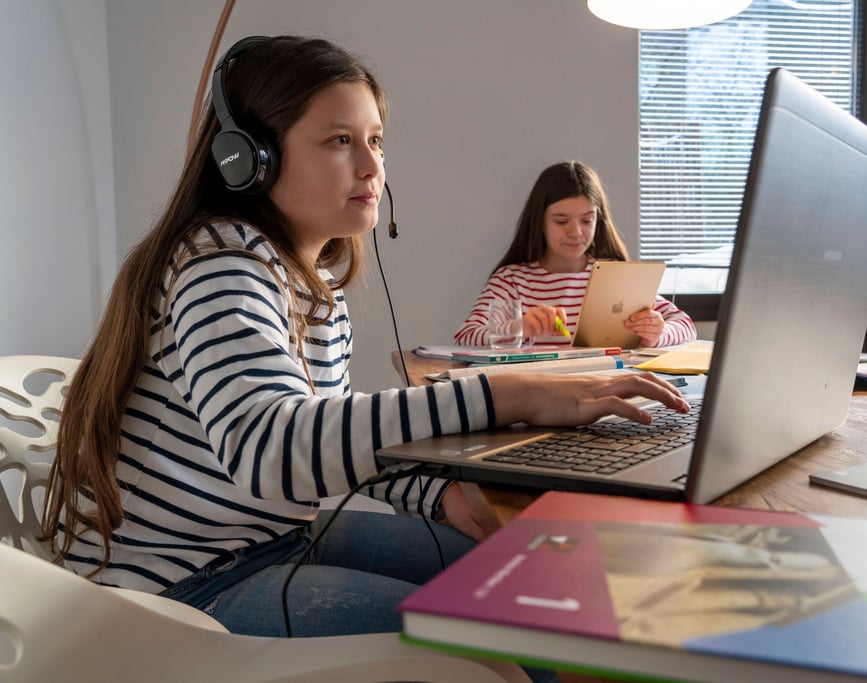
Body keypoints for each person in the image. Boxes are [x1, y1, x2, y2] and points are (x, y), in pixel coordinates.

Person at [40, 34, 687, 651]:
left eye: (376, 140)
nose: (373, 165)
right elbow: (269, 447)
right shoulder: (221, 266)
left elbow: (335, 437)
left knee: (516, 580)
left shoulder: (313, 283)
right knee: (511, 631)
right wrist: (506, 394)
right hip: (179, 588)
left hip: (270, 540)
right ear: (250, 158)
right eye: (340, 140)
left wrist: (435, 495)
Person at [453, 160, 698, 348]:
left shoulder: (615, 276)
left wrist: (657, 333)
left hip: (607, 389)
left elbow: (686, 326)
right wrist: (520, 328)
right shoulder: (512, 280)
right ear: (539, 221)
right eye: (561, 221)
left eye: (587, 220)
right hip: (539, 393)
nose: (576, 232)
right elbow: (465, 336)